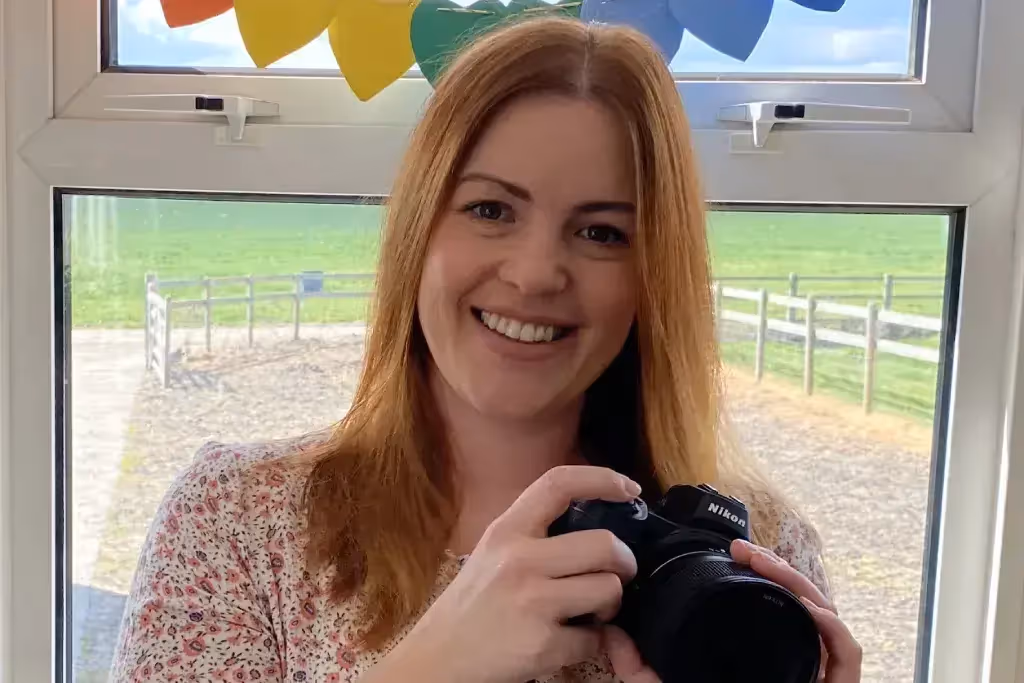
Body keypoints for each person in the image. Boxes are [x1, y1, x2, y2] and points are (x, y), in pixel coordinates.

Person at [110, 15, 861, 683]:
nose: (535, 274)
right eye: (490, 208)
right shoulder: (238, 525)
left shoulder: (751, 557)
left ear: (653, 274)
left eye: (602, 231)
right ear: (418, 234)